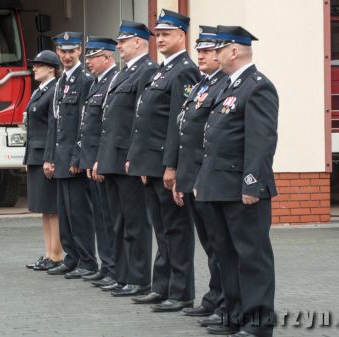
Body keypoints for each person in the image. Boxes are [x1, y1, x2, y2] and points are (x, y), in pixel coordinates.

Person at [194, 25, 279, 337]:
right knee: (226, 255)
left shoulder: (257, 87)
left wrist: (252, 184)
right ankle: (234, 315)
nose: (213, 54)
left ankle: (257, 323)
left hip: (242, 190)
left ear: (233, 51)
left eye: (218, 49)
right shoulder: (227, 86)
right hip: (217, 186)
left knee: (251, 257)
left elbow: (261, 142)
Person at [125, 9, 200, 311]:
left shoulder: (184, 70)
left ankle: (180, 292)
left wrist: (172, 165)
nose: (161, 39)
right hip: (151, 164)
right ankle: (162, 285)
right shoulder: (160, 70)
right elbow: (144, 120)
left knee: (176, 229)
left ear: (182, 36)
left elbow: (177, 124)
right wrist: (139, 160)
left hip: (166, 165)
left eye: (167, 33)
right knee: (161, 228)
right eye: (159, 34)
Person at [91, 21, 157, 296]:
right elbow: (110, 121)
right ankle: (121, 274)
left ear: (139, 42)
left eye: (124, 41)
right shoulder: (121, 74)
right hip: (111, 159)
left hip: (129, 160)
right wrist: (100, 158)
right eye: (118, 41)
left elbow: (141, 121)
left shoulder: (148, 71)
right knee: (116, 222)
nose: (118, 46)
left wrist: (135, 157)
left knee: (135, 222)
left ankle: (139, 278)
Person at [172, 26, 227, 322]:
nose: (202, 55)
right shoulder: (202, 85)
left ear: (221, 54)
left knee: (219, 245)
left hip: (208, 177)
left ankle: (222, 302)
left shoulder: (223, 86)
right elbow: (186, 133)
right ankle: (213, 297)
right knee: (209, 244)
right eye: (200, 50)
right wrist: (182, 177)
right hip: (193, 175)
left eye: (207, 51)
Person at [45, 32, 98, 279]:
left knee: (80, 213)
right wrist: (50, 157)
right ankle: (72, 257)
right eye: (63, 51)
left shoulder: (85, 80)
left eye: (72, 51)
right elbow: (54, 124)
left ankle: (87, 261)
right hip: (61, 157)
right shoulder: (60, 81)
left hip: (74, 159)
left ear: (80, 51)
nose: (67, 56)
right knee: (65, 212)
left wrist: (79, 156)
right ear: (57, 51)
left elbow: (85, 123)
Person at [76, 36, 119, 284]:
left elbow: (107, 127)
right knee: (101, 218)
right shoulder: (96, 83)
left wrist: (99, 159)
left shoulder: (113, 81)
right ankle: (107, 266)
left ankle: (113, 267)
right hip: (92, 159)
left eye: (92, 57)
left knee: (109, 218)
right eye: (88, 57)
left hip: (102, 160)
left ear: (107, 57)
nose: (88, 61)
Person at [23, 50, 64, 271]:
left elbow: (53, 127)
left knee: (52, 207)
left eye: (39, 65)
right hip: (36, 153)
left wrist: (50, 158)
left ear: (51, 68)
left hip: (45, 154)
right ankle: (49, 252)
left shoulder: (54, 89)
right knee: (44, 207)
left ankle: (56, 254)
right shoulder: (40, 91)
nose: (34, 68)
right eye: (35, 64)